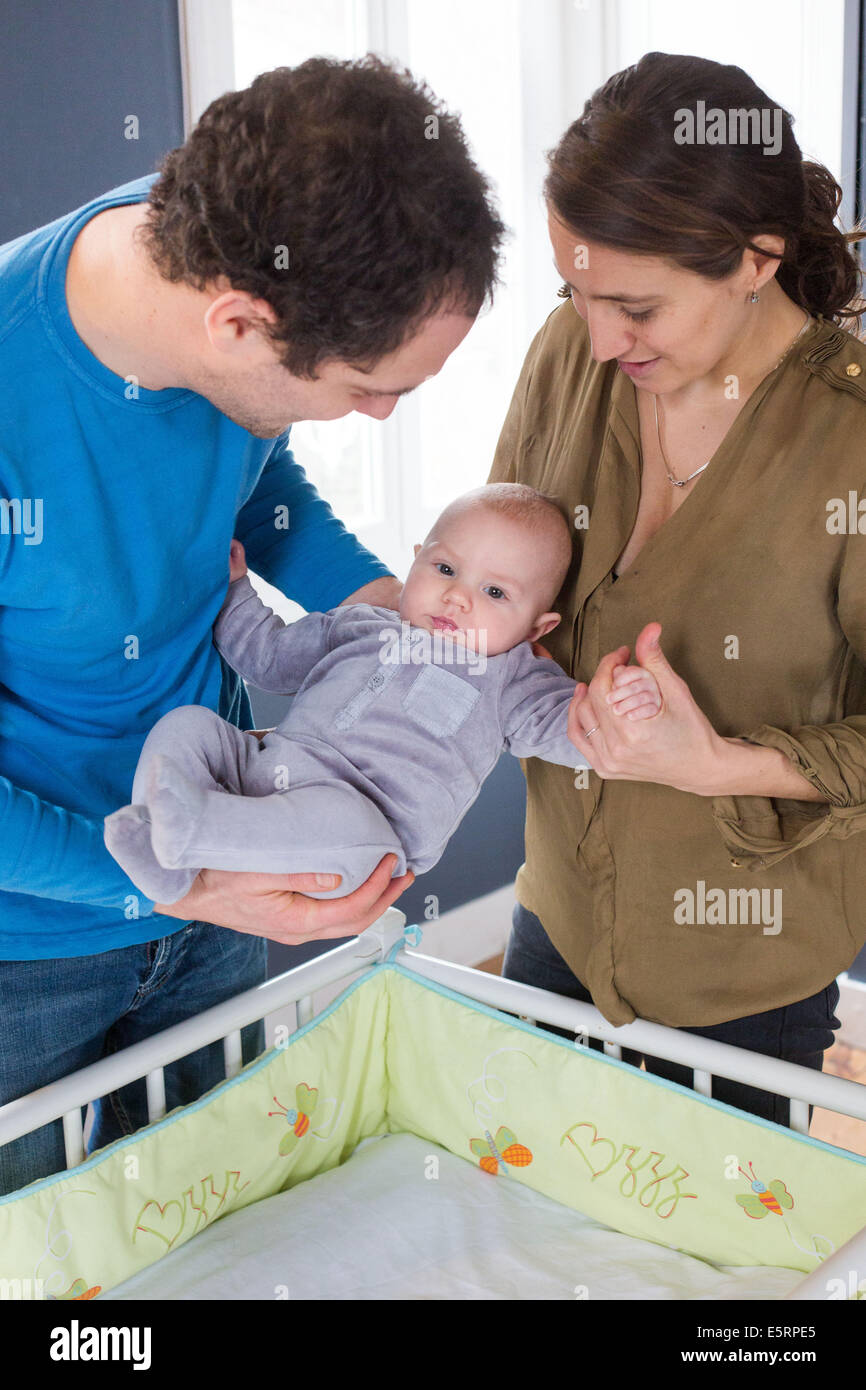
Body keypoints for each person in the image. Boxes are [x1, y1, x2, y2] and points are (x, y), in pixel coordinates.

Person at [0, 56, 506, 1194]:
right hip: (24, 950)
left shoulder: (216, 240)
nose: (377, 417)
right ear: (239, 322)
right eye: (370, 387)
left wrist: (395, 622)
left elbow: (258, 483)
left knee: (211, 1221)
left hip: (224, 872)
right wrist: (162, 884)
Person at [488, 51, 866, 1125]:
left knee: (707, 1272)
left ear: (753, 260)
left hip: (741, 971)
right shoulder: (569, 353)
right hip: (554, 915)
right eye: (575, 291)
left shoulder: (848, 441)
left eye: (635, 307)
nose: (600, 338)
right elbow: (499, 579)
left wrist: (716, 763)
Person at [103, 484, 661, 903]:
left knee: (340, 819)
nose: (457, 597)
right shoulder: (362, 625)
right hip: (269, 771)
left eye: (494, 591)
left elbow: (574, 731)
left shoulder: (511, 681)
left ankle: (194, 832)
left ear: (537, 628)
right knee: (192, 726)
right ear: (416, 558)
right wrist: (234, 591)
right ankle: (164, 843)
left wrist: (620, 706)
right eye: (445, 567)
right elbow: (267, 657)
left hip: (365, 839)